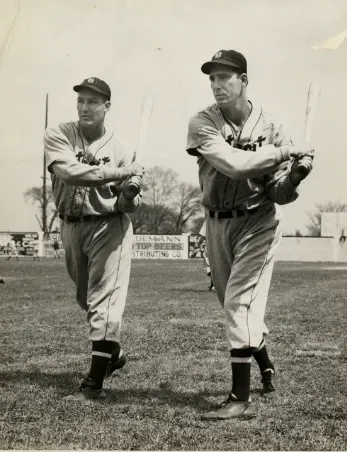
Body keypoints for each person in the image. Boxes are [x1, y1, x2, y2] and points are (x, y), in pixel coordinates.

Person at [186, 49, 314, 420]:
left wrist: (295, 176)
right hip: (216, 223)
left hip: (258, 221)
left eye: (224, 77)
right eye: (212, 77)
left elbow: (279, 194)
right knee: (232, 303)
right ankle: (265, 361)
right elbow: (233, 163)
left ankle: (240, 398)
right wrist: (287, 152)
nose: (216, 84)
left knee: (237, 304)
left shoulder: (271, 127)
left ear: (244, 80)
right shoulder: (202, 122)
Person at [44, 77, 144, 401]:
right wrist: (120, 173)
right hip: (70, 226)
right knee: (86, 300)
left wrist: (129, 192)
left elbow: (129, 204)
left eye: (92, 101)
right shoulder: (59, 134)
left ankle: (93, 385)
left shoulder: (122, 147)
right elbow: (71, 173)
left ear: (107, 106)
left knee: (104, 302)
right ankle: (113, 354)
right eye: (81, 101)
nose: (85, 107)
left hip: (107, 226)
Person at [191, 220, 214, 290]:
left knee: (210, 268)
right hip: (223, 246)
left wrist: (197, 245)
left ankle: (214, 285)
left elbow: (203, 236)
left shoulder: (209, 219)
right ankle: (213, 285)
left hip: (211, 247)